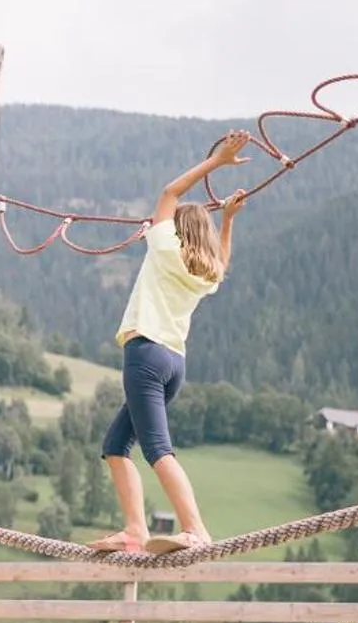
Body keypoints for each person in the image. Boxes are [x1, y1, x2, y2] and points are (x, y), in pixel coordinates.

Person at [91, 130, 250, 554]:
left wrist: (217, 161)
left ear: (176, 230)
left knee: (158, 449)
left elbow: (169, 192)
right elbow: (221, 261)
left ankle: (196, 530)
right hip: (173, 363)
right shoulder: (205, 274)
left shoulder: (165, 249)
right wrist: (228, 220)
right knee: (115, 447)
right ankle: (134, 531)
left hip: (145, 355)